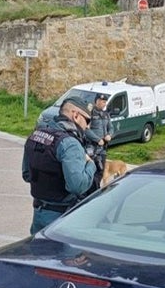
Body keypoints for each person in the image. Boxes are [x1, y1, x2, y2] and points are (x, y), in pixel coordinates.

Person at [22, 98, 96, 234]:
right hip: (61, 217)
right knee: (62, 254)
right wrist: (91, 165)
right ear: (76, 115)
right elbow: (77, 186)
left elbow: (27, 174)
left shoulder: (35, 135)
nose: (88, 127)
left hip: (39, 213)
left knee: (38, 253)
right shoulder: (70, 144)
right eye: (87, 120)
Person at [85, 92, 113, 186]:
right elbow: (85, 129)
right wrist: (97, 139)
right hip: (92, 147)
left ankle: (95, 189)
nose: (104, 103)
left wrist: (109, 135)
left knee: (101, 170)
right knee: (91, 169)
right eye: (102, 101)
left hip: (103, 148)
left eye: (105, 102)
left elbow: (111, 128)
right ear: (97, 101)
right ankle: (89, 191)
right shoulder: (90, 113)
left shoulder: (106, 114)